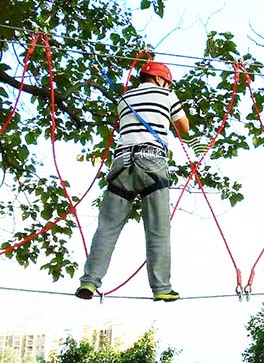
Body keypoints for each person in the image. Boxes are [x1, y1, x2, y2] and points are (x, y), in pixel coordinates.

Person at [75, 61, 190, 302]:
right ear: (160, 79)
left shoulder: (124, 98)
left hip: (121, 163)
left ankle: (89, 282)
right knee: (158, 229)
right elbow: (184, 128)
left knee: (107, 227)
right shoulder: (167, 93)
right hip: (152, 161)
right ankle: (161, 287)